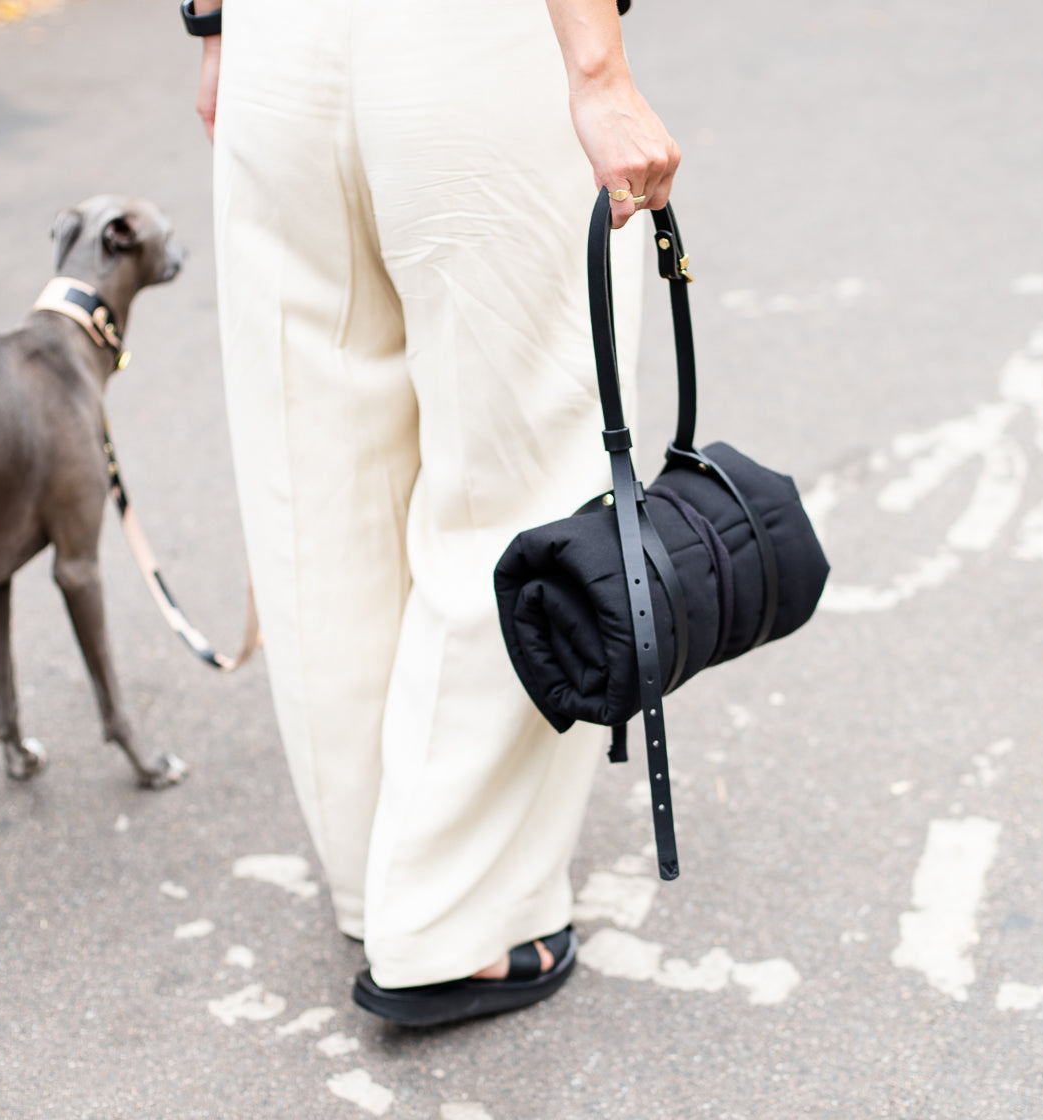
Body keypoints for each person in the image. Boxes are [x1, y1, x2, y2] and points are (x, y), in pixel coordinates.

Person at [186, 0, 679, 1025]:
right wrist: (598, 73)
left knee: (318, 482)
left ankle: (375, 879)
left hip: (278, 48)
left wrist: (214, 27)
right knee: (517, 478)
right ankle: (456, 918)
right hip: (472, 44)